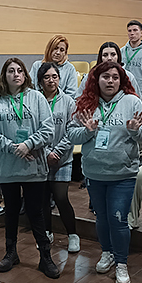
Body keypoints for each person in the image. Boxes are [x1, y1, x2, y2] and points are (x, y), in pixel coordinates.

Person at [67, 61, 142, 283]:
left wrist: (135, 130)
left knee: (117, 218)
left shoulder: (131, 101)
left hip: (123, 173)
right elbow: (72, 136)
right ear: (97, 79)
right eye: (106, 77)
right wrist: (87, 131)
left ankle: (122, 263)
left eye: (115, 77)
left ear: (121, 80)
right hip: (95, 172)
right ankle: (107, 253)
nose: (111, 81)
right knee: (102, 218)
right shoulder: (86, 103)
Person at [0, 58, 59, 279]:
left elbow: (48, 129)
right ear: (4, 76)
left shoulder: (37, 98)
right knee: (11, 212)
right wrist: (13, 147)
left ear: (25, 75)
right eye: (10, 71)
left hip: (34, 166)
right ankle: (10, 253)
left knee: (36, 212)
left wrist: (29, 144)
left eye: (19, 71)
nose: (16, 74)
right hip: (8, 167)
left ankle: (45, 257)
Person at [36, 62, 80, 253]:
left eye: (55, 76)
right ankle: (47, 232)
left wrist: (58, 152)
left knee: (61, 197)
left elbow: (72, 130)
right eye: (47, 77)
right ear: (40, 81)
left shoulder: (68, 101)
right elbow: (33, 129)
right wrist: (46, 152)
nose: (51, 80)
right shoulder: (35, 100)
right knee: (43, 198)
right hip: (41, 157)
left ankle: (73, 235)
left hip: (62, 158)